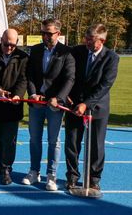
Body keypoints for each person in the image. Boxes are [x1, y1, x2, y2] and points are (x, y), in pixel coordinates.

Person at [23, 19, 75, 191]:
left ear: (58, 34)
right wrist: (32, 94)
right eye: (43, 33)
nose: (45, 36)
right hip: (36, 103)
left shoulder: (67, 52)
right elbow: (29, 75)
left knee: (54, 141)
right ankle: (34, 171)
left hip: (54, 105)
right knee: (34, 139)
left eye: (49, 33)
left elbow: (69, 78)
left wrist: (59, 98)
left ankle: (51, 175)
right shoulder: (35, 50)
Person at [65, 24, 119, 191]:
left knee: (96, 146)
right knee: (72, 144)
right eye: (86, 38)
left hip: (97, 108)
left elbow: (105, 85)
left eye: (91, 40)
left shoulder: (111, 57)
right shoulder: (77, 51)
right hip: (74, 105)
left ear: (102, 40)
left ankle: (94, 179)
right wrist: (67, 95)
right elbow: (69, 75)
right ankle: (72, 177)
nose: (87, 42)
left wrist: (86, 104)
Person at [0, 29, 28, 185]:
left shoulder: (23, 57)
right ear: (0, 40)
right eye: (6, 44)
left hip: (13, 106)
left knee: (9, 140)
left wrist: (17, 95)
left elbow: (24, 79)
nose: (9, 47)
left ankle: (7, 169)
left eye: (12, 45)